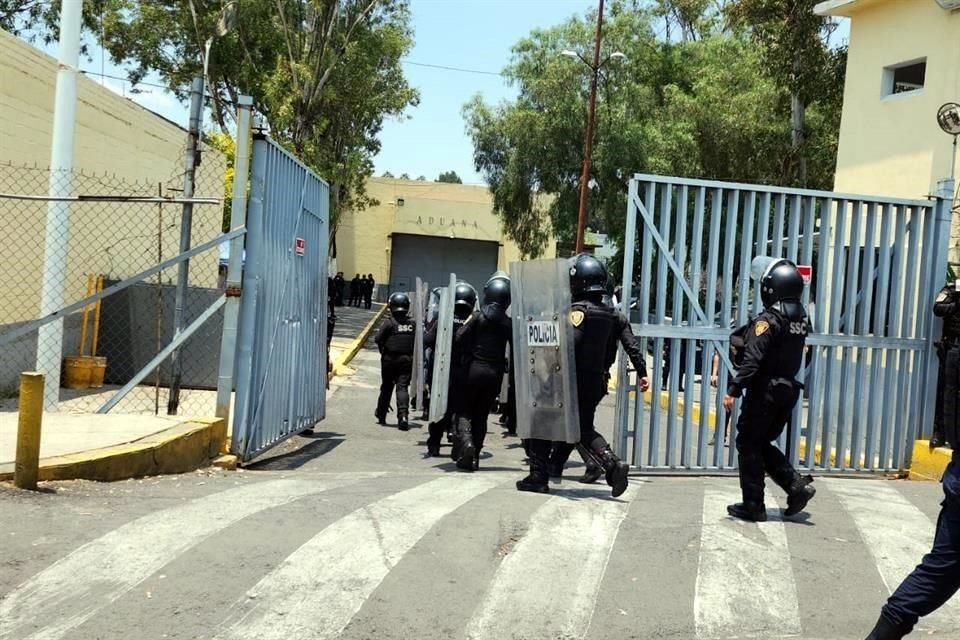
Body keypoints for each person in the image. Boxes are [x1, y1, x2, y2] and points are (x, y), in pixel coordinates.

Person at [520, 253, 650, 496]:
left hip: (570, 380)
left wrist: (545, 368)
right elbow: (632, 345)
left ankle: (538, 476)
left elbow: (569, 344)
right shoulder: (615, 315)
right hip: (597, 381)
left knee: (540, 421)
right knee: (582, 428)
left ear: (577, 281)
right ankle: (611, 464)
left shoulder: (577, 312)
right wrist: (642, 372)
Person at [722, 257, 814, 522]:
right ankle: (795, 486)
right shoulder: (801, 320)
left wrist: (734, 389)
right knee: (760, 442)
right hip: (787, 389)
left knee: (747, 442)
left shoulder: (769, 320)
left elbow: (753, 360)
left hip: (766, 391)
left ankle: (753, 505)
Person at [451, 273, 512, 470]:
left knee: (464, 411)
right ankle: (475, 455)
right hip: (495, 374)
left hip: (473, 370)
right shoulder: (508, 323)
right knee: (482, 415)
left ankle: (467, 443)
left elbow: (459, 337)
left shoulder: (478, 317)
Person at [425, 281, 477, 456]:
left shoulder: (443, 318)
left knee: (439, 408)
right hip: (464, 373)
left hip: (441, 371)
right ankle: (457, 447)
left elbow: (427, 341)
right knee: (459, 410)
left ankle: (434, 444)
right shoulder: (475, 321)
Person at [374, 292, 415, 430]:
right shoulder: (413, 324)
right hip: (407, 359)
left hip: (389, 359)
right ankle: (403, 416)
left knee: (386, 386)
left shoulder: (390, 323)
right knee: (402, 387)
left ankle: (381, 414)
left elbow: (377, 339)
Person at [932, 279, 960, 448]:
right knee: (945, 392)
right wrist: (957, 304)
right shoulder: (954, 288)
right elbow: (938, 308)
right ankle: (940, 431)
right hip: (952, 348)